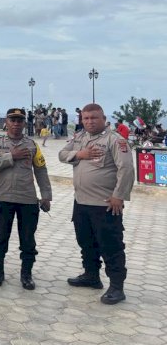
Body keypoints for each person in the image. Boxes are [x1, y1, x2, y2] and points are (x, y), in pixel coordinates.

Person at [58, 103, 135, 305]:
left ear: (103, 119)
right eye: (86, 118)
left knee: (110, 245)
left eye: (94, 118)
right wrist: (79, 154)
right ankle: (91, 276)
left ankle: (117, 286)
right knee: (86, 241)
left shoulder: (115, 140)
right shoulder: (79, 137)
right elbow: (62, 155)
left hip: (105, 204)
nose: (90, 122)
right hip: (81, 202)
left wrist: (119, 196)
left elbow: (126, 168)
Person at [0, 108, 52, 290]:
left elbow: (41, 170)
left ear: (24, 123)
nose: (16, 123)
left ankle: (26, 275)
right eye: (12, 120)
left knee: (28, 240)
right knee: (0, 238)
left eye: (19, 120)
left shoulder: (32, 145)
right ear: (6, 122)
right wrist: (11, 157)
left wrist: (46, 196)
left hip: (27, 199)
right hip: (4, 197)